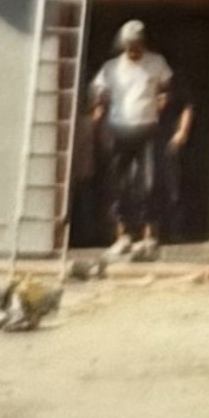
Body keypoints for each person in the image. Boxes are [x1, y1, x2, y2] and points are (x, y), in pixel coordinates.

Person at [88, 20, 188, 258]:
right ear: (124, 44)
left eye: (138, 44)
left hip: (147, 128)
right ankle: (123, 236)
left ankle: (150, 236)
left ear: (144, 43)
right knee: (118, 183)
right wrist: (97, 111)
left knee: (150, 182)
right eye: (130, 45)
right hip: (119, 128)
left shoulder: (156, 62)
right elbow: (97, 93)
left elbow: (168, 87)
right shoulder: (111, 68)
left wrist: (164, 97)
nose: (134, 49)